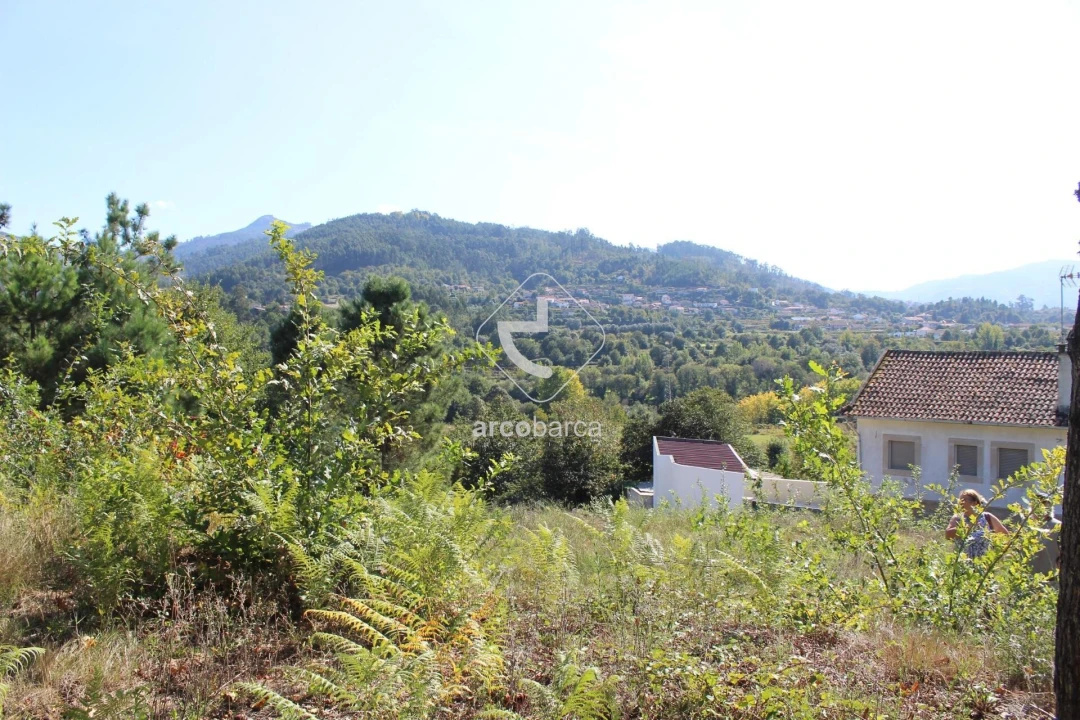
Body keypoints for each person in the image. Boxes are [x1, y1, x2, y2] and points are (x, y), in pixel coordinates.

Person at [945, 489, 1008, 558]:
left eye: (964, 500)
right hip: (962, 564)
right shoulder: (958, 517)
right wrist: (969, 527)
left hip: (983, 565)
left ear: (974, 503)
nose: (960, 502)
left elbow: (1006, 535)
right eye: (960, 500)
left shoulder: (987, 517)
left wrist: (996, 551)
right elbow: (948, 535)